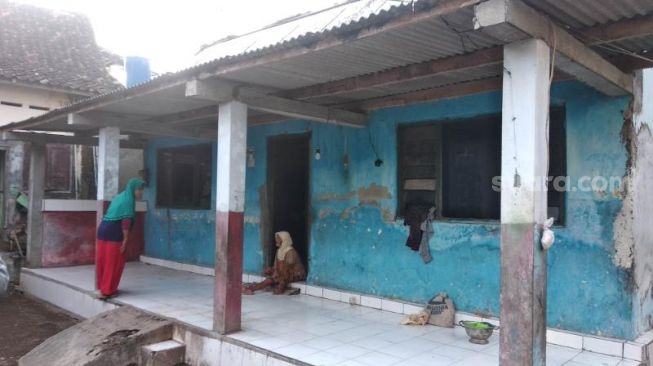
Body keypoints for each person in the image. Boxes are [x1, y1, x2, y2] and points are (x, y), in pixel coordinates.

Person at [95, 178, 145, 299]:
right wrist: (125, 240)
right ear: (134, 189)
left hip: (102, 230)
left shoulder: (119, 197)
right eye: (140, 190)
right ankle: (108, 291)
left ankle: (102, 288)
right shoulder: (128, 200)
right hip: (115, 233)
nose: (141, 193)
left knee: (104, 261)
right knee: (114, 262)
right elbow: (126, 222)